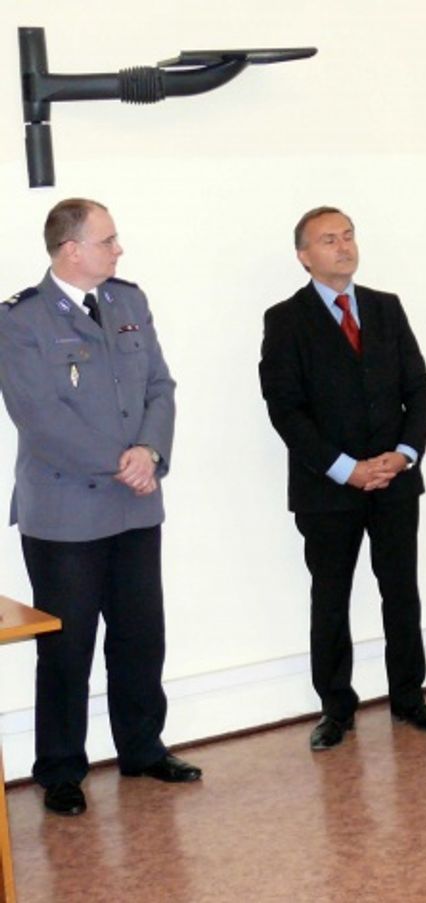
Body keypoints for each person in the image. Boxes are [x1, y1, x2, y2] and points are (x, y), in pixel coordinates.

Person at [0, 198, 201, 817]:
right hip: (66, 513)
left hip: (135, 505)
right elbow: (39, 418)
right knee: (68, 648)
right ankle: (60, 769)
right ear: (71, 250)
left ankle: (142, 748)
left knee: (141, 636)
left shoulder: (128, 302)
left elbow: (160, 387)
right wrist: (124, 462)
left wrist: (150, 451)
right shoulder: (22, 320)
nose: (119, 250)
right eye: (107, 241)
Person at [259, 206, 426, 751]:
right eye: (328, 240)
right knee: (331, 597)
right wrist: (346, 469)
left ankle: (409, 698)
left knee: (401, 591)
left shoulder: (386, 307)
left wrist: (404, 454)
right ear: (304, 256)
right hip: (327, 489)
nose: (343, 247)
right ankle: (336, 708)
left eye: (348, 236)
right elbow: (285, 409)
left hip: (395, 481)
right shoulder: (285, 320)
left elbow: (418, 387)